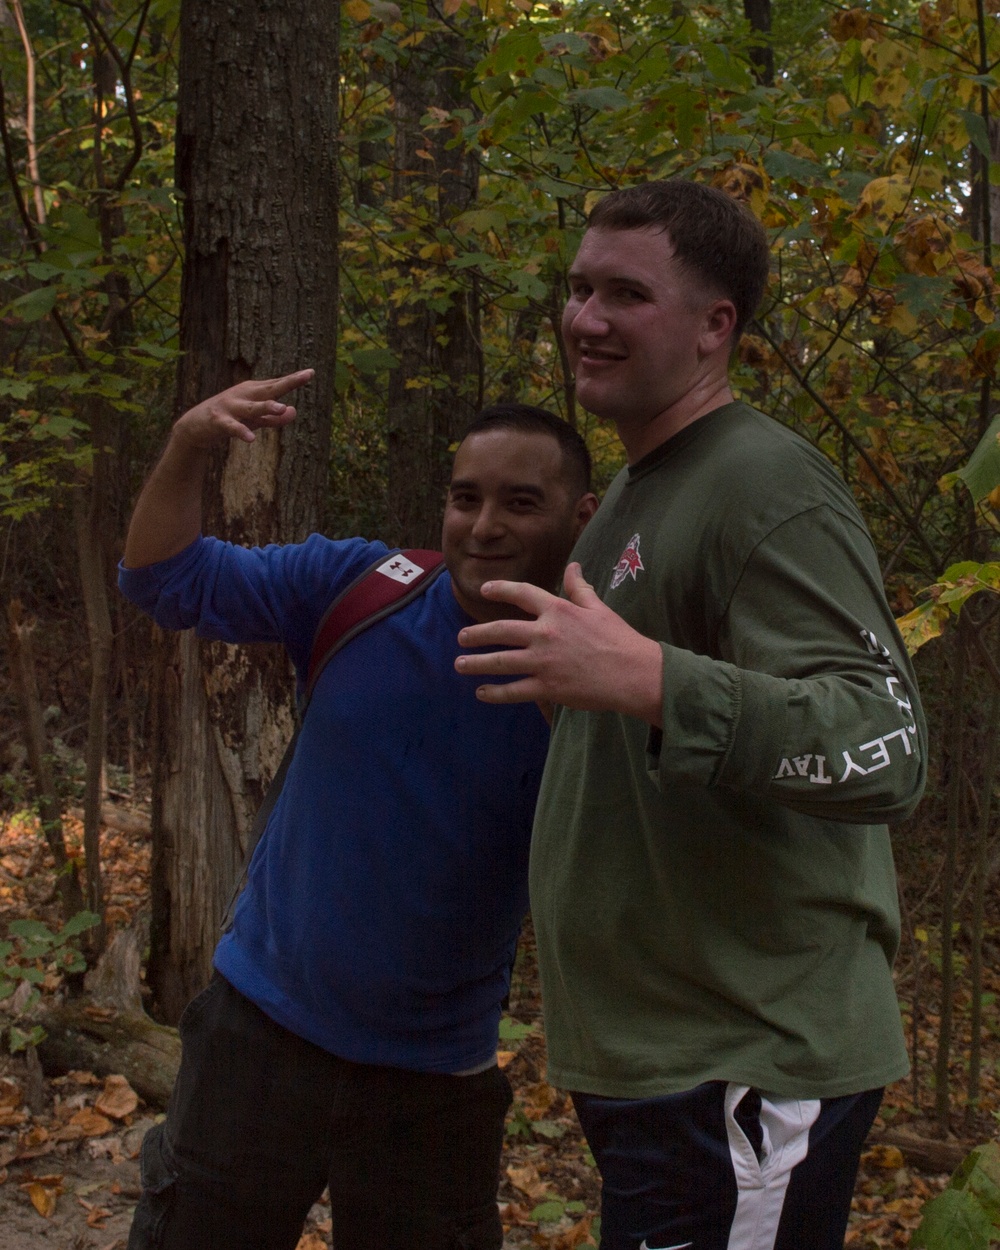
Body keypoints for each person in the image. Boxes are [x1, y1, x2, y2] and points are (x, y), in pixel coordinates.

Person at [455, 180, 927, 1250]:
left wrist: (657, 682)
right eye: (578, 288)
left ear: (717, 326)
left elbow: (885, 741)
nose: (586, 317)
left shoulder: (766, 484)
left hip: (744, 1058)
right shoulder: (630, 491)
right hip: (655, 1058)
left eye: (627, 292)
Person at [118, 370, 598, 1250]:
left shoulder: (600, 677)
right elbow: (162, 578)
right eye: (466, 498)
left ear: (582, 517)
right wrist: (189, 443)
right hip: (257, 1039)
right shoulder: (363, 586)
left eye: (520, 502)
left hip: (434, 1081)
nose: (484, 525)